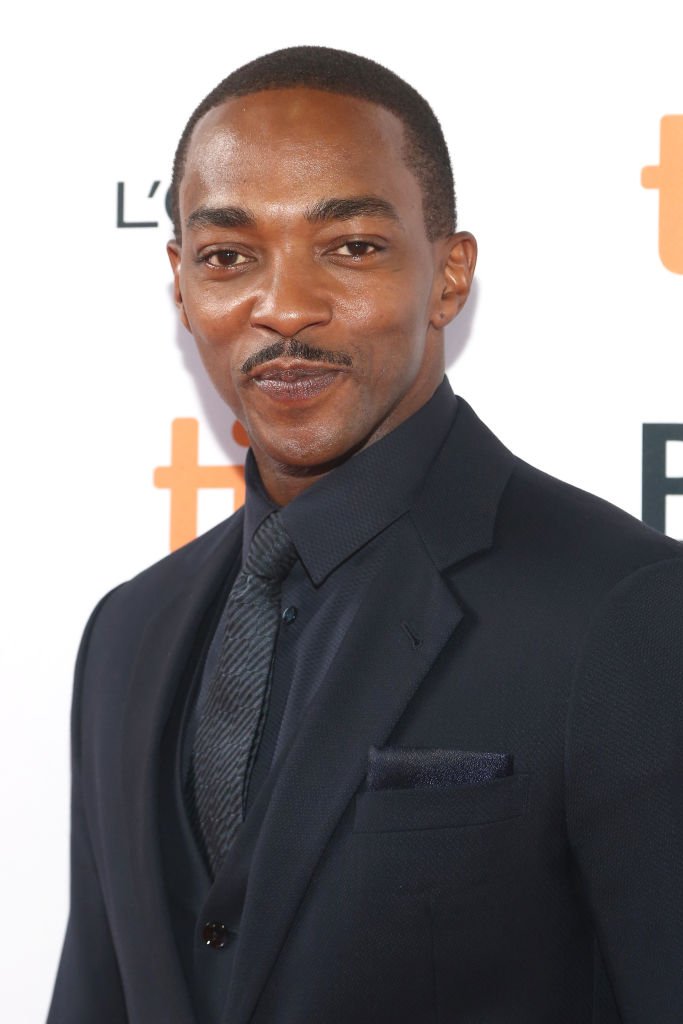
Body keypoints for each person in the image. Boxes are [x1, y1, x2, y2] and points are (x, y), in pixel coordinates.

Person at [48, 46, 683, 1024]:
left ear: (447, 275)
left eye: (349, 246)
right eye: (228, 255)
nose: (286, 307)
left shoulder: (625, 609)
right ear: (181, 284)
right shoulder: (126, 633)